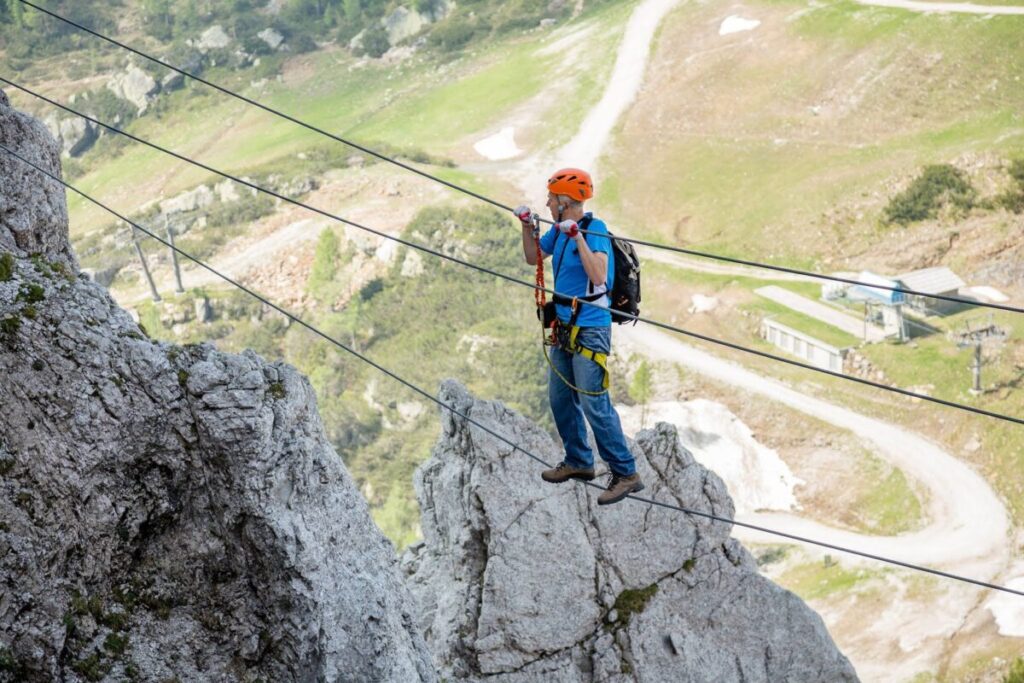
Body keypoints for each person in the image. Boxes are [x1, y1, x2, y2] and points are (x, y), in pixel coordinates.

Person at [515, 168, 643, 506]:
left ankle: (626, 473)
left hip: (591, 327)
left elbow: (599, 276)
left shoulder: (594, 230)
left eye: (551, 199)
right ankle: (579, 460)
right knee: (559, 398)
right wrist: (527, 227)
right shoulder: (558, 231)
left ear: (564, 202)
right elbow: (532, 257)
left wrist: (578, 238)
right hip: (564, 325)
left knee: (593, 402)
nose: (547, 203)